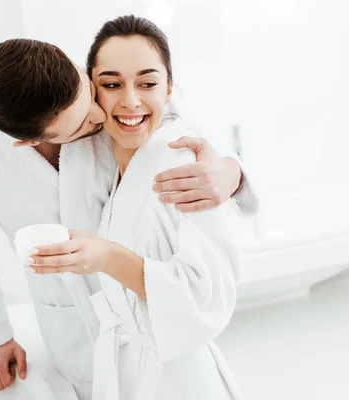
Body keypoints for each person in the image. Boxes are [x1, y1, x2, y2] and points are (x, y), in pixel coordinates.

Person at [0, 33, 257, 400]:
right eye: (83, 125)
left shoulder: (95, 84)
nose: (100, 115)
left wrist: (231, 172)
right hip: (70, 321)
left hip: (150, 307)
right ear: (28, 141)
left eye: (88, 95)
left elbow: (174, 124)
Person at [28, 15, 242, 399]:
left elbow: (206, 298)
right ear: (92, 91)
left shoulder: (184, 165)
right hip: (123, 369)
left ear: (170, 88)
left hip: (177, 378)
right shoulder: (107, 160)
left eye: (147, 83)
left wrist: (108, 257)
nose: (130, 100)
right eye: (112, 84)